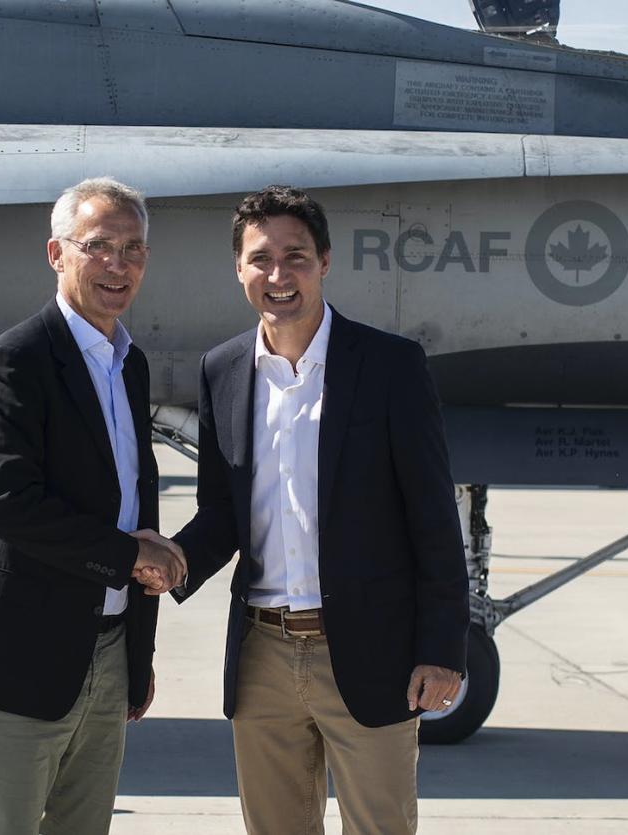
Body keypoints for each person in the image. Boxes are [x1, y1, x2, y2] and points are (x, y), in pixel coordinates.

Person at [149, 185, 469, 834]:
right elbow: (223, 511)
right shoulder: (223, 370)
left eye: (295, 256)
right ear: (238, 269)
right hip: (262, 650)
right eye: (260, 258)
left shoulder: (390, 366)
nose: (278, 275)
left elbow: (433, 518)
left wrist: (441, 649)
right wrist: (171, 559)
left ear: (325, 260)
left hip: (371, 649)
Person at [0, 176, 185, 835]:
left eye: (132, 250)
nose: (117, 265)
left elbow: (127, 500)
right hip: (18, 658)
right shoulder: (14, 362)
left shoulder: (128, 364)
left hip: (103, 657)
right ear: (56, 253)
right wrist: (131, 555)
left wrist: (135, 656)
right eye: (98, 245)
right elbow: (10, 504)